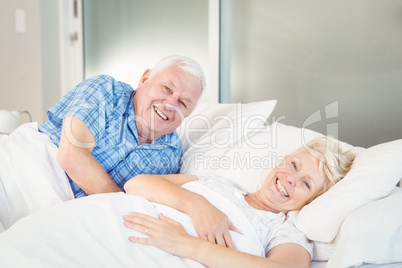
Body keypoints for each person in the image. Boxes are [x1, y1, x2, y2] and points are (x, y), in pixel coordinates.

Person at [122, 136, 355, 268]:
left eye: (306, 184)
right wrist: (197, 205)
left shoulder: (285, 232)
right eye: (294, 165)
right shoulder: (219, 183)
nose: (290, 179)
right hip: (117, 223)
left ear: (313, 200)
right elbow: (135, 184)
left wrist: (186, 244)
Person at [38, 55, 205, 198]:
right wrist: (118, 203)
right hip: (31, 174)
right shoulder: (106, 91)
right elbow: (71, 156)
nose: (170, 105)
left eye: (182, 103)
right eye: (167, 88)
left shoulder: (171, 154)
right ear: (144, 79)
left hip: (68, 214)